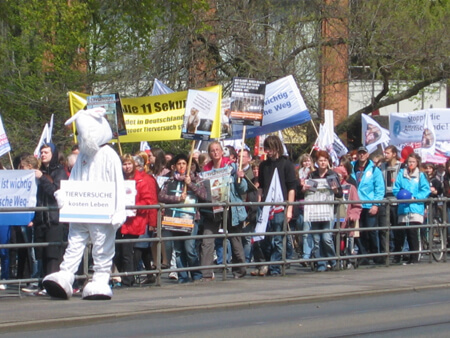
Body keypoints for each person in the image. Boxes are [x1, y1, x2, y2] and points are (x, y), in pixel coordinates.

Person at [43, 107, 127, 300]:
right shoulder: (82, 156)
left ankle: (100, 278)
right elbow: (75, 179)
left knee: (101, 245)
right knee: (74, 243)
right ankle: (65, 275)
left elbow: (118, 184)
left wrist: (119, 209)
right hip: (81, 210)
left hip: (102, 212)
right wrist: (64, 195)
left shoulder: (109, 155)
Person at [200, 141, 248, 280]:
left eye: (217, 150)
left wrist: (241, 178)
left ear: (222, 151)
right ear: (209, 153)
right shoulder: (205, 171)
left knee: (235, 239)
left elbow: (242, 189)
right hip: (213, 208)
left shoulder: (231, 167)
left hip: (230, 207)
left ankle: (240, 270)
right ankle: (206, 273)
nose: (215, 152)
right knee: (207, 239)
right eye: (212, 150)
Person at [158, 154, 207, 283]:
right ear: (175, 166)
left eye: (184, 164)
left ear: (188, 165)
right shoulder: (170, 181)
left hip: (190, 218)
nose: (181, 166)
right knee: (178, 250)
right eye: (179, 164)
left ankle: (196, 274)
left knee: (189, 248)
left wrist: (190, 185)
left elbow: (203, 195)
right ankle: (183, 276)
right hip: (175, 219)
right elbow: (161, 196)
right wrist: (176, 199)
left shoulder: (196, 179)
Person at [258, 135, 297, 276]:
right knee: (264, 239)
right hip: (266, 206)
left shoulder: (287, 164)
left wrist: (290, 209)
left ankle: (275, 268)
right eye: (265, 148)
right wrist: (259, 203)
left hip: (281, 206)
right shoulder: (263, 165)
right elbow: (261, 186)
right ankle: (270, 263)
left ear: (276, 147)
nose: (267, 151)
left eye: (269, 148)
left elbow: (292, 187)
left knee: (278, 239)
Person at [114, 154, 155, 287]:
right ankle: (125, 277)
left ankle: (128, 280)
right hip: (120, 220)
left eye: (129, 164)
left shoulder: (142, 180)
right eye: (124, 164)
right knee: (118, 251)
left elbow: (148, 200)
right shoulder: (118, 179)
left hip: (133, 221)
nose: (127, 167)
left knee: (127, 252)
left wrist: (136, 208)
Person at [32, 143, 68, 282]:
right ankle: (42, 282)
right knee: (41, 253)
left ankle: (51, 282)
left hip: (54, 219)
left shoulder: (60, 171)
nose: (43, 155)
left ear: (53, 154)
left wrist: (42, 178)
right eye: (42, 152)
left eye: (46, 152)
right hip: (41, 219)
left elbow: (55, 192)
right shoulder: (39, 171)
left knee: (53, 254)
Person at [302, 151, 343, 272]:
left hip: (328, 210)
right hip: (315, 211)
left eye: (325, 160)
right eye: (320, 160)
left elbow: (340, 194)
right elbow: (308, 192)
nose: (323, 162)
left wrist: (335, 190)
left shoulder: (332, 175)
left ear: (328, 162)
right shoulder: (312, 175)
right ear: (316, 162)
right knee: (316, 239)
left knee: (326, 237)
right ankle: (321, 263)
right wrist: (304, 189)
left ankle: (333, 260)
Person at [393, 153, 430, 264]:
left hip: (415, 207)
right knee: (401, 233)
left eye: (413, 162)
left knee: (412, 232)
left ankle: (414, 257)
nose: (411, 164)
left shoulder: (421, 175)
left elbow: (426, 190)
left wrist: (416, 197)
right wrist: (400, 195)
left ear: (417, 162)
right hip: (403, 207)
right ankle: (399, 255)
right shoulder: (401, 174)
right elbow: (396, 188)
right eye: (409, 162)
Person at [351, 146, 385, 265]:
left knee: (371, 231)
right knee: (358, 232)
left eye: (364, 153)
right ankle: (363, 255)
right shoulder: (351, 167)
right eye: (360, 153)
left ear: (367, 155)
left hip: (369, 204)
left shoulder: (374, 169)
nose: (361, 155)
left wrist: (376, 204)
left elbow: (379, 188)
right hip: (355, 205)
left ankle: (376, 254)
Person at [378, 145, 402, 263]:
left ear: (394, 154)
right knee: (384, 228)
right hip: (384, 199)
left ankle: (398, 253)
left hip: (397, 199)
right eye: (385, 153)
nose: (385, 155)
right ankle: (385, 254)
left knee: (397, 228)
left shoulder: (401, 166)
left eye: (388, 153)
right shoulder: (381, 167)